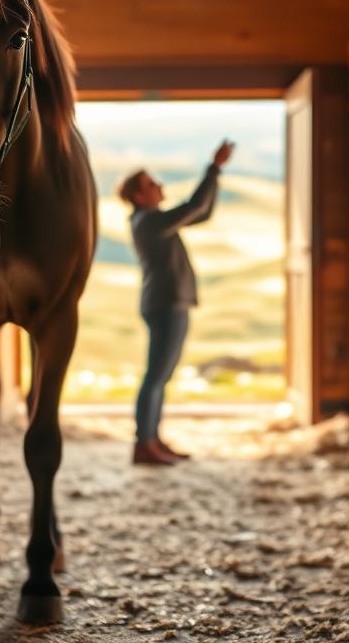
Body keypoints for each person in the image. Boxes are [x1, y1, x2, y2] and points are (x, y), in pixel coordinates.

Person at [117, 140, 236, 465]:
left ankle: (152, 439)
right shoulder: (148, 222)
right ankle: (144, 444)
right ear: (139, 196)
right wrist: (213, 168)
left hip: (171, 303)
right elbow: (195, 206)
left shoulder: (154, 220)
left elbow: (202, 211)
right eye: (151, 184)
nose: (159, 186)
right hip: (165, 305)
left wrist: (216, 176)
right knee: (155, 376)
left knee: (161, 376)